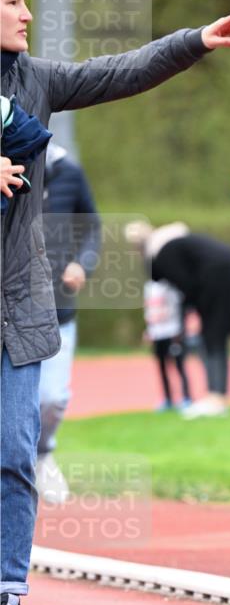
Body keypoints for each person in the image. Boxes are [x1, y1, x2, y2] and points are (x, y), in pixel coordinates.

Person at [0, 0, 230, 605]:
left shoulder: (36, 81)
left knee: (14, 455)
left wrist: (193, 41)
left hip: (19, 307)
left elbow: (117, 71)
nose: (27, 13)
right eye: (13, 2)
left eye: (25, 0)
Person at [134, 225, 230, 418]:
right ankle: (216, 396)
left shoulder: (163, 257)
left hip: (218, 278)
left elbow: (187, 286)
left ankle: (216, 398)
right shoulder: (178, 246)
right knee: (215, 337)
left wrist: (190, 315)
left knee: (213, 337)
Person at [35, 144, 101, 503]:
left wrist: (82, 262)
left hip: (58, 309)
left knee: (52, 397)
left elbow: (91, 226)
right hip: (10, 308)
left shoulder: (69, 173)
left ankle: (43, 454)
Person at [143, 278, 192, 412]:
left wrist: (181, 330)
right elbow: (149, 309)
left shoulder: (171, 285)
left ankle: (186, 397)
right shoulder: (149, 287)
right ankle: (168, 399)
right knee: (162, 367)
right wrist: (149, 330)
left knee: (179, 366)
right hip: (157, 333)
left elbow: (179, 307)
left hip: (173, 332)